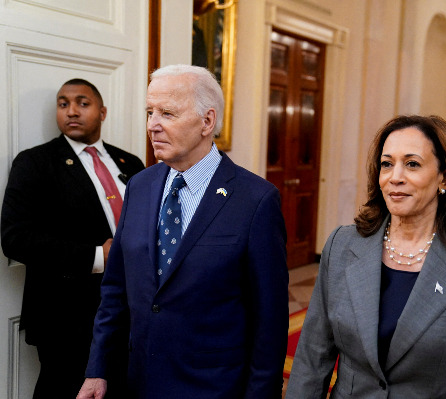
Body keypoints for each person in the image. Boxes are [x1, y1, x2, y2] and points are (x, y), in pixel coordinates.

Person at [76, 65, 289, 399]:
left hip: (212, 387)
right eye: (150, 112)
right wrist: (98, 369)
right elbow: (116, 289)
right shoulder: (140, 186)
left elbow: (270, 319)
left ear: (207, 121)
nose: (152, 125)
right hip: (137, 382)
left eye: (167, 113)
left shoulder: (256, 200)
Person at [286, 115, 446, 398]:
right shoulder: (343, 245)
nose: (395, 177)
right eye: (386, 164)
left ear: (444, 176)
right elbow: (312, 356)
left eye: (412, 164)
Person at [1, 79, 145, 398]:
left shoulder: (130, 163)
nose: (72, 111)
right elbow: (15, 238)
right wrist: (98, 256)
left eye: (83, 102)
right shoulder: (35, 163)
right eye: (63, 104)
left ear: (102, 111)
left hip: (128, 305)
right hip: (64, 314)